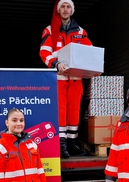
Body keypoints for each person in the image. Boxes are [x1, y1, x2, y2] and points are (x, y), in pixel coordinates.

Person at [39, 0, 92, 158]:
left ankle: (72, 142)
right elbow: (44, 53)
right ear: (58, 9)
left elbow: (89, 52)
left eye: (68, 6)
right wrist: (56, 62)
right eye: (63, 6)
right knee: (60, 111)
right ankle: (60, 143)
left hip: (76, 79)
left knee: (74, 111)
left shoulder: (81, 32)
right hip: (59, 79)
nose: (65, 9)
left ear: (72, 10)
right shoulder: (50, 30)